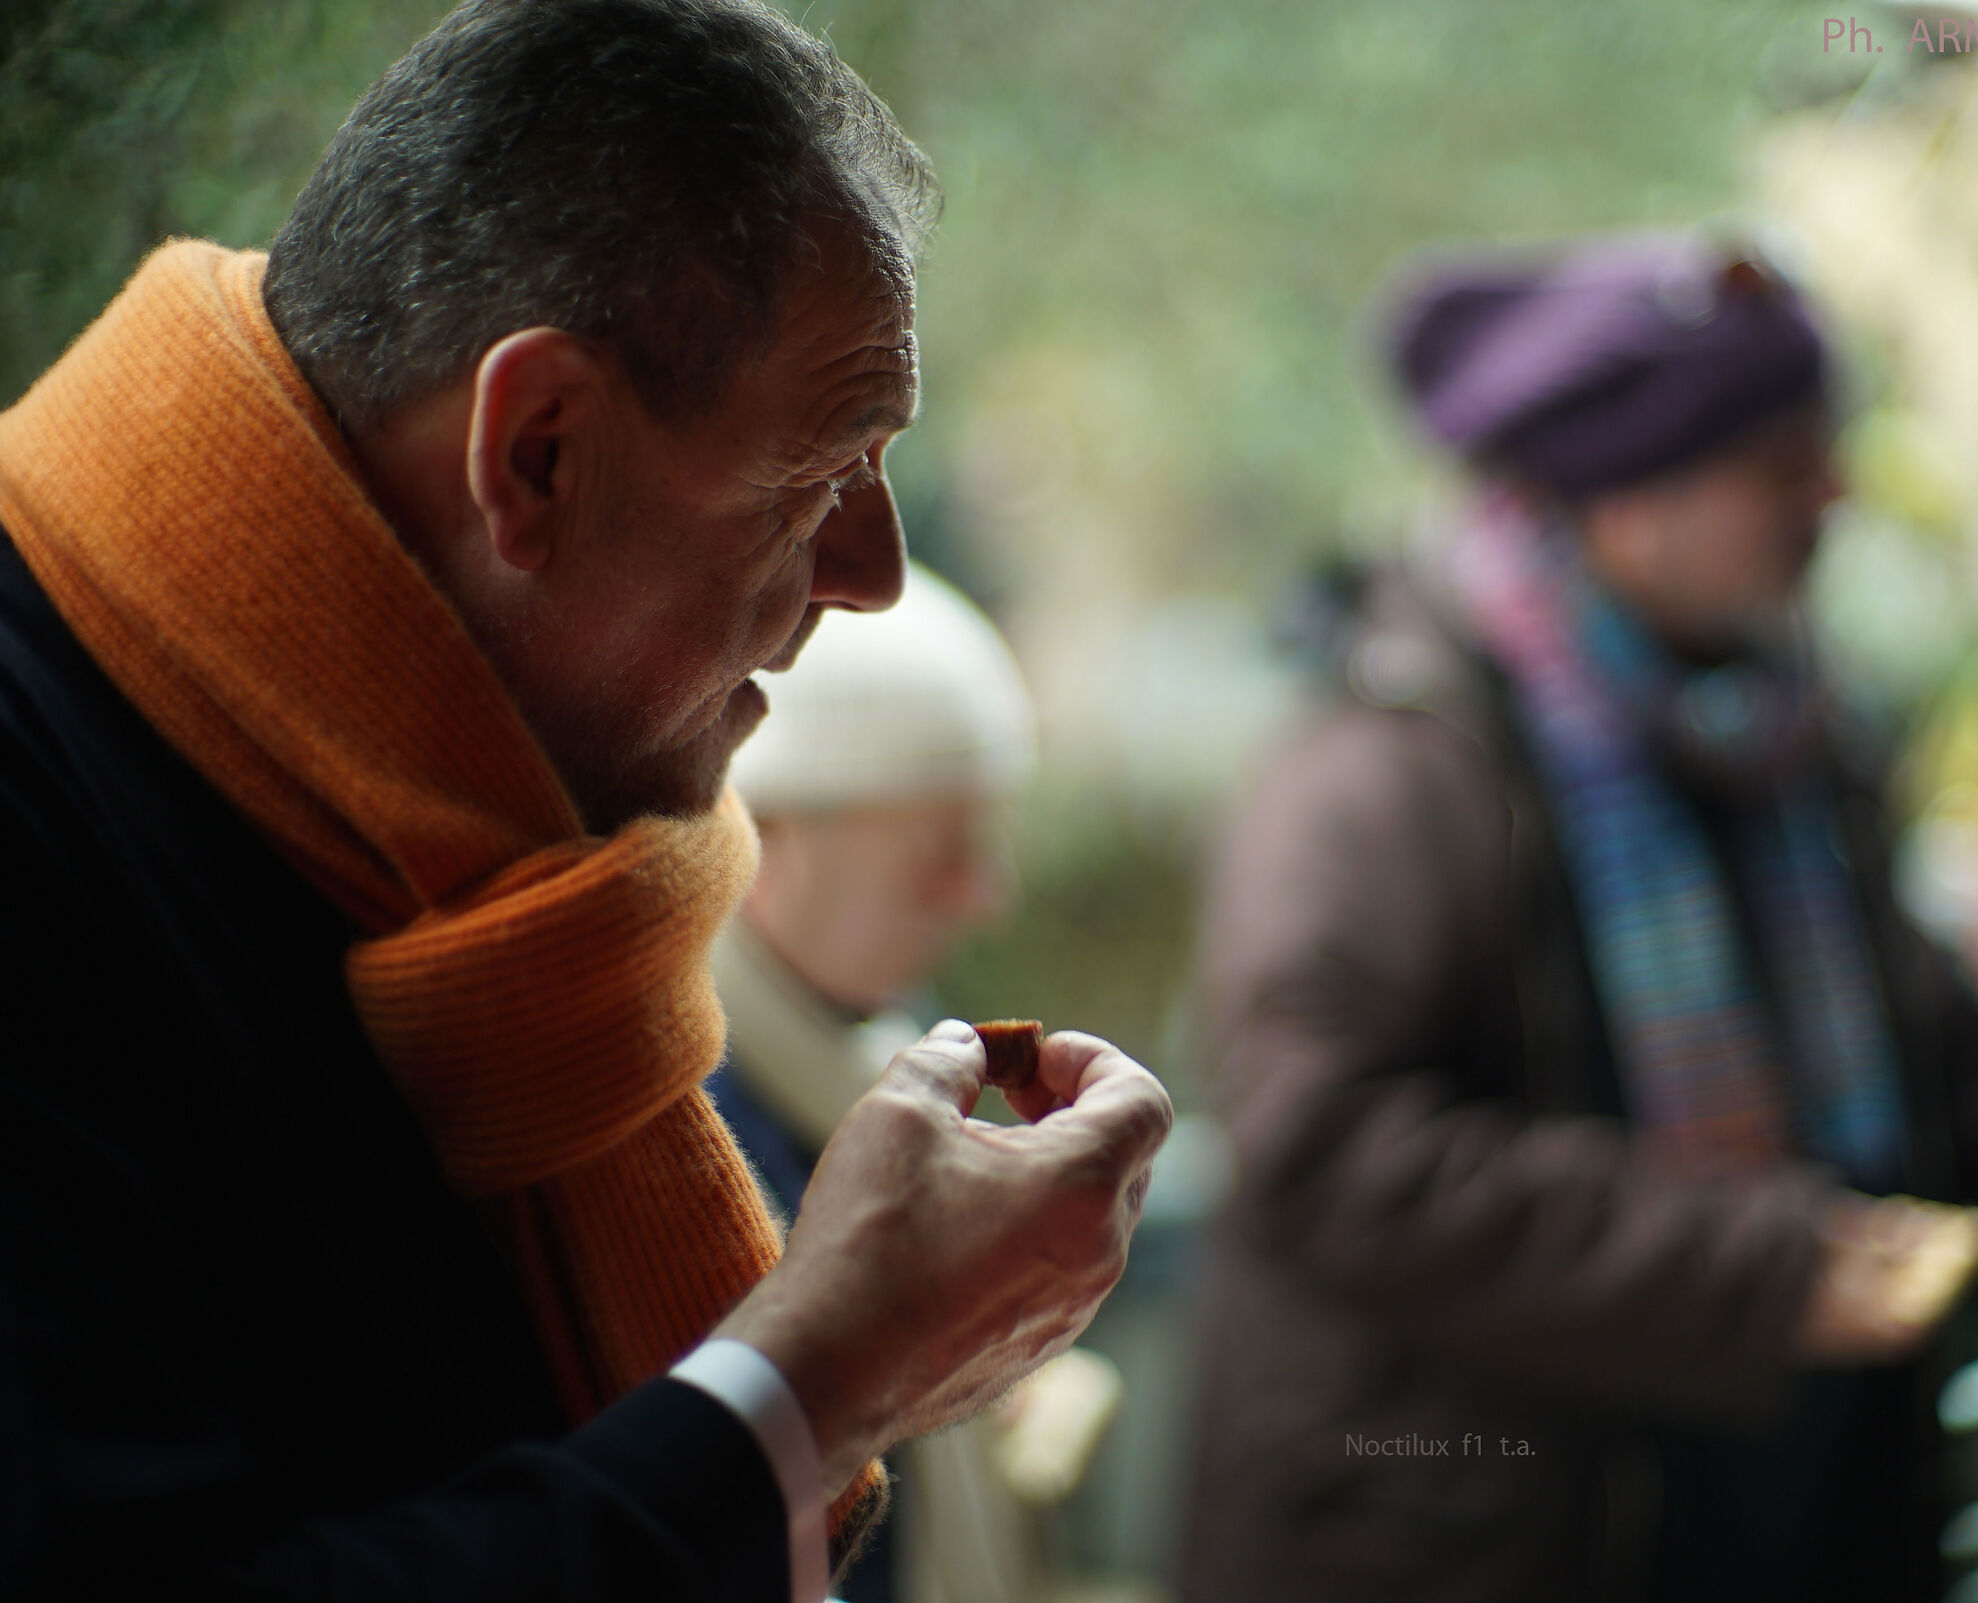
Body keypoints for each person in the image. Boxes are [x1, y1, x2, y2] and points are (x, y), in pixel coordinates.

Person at [0, 3, 1170, 1599]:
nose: (879, 571)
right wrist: (824, 1377)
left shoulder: (478, 862)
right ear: (538, 450)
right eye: (824, 475)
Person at [1178, 233, 1978, 1603]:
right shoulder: (1389, 769)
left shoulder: (1794, 744)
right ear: (1627, 495)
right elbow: (1320, 1147)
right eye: (1778, 463)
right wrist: (1760, 1263)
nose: (1832, 492)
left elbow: (1975, 1123)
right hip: (1486, 1536)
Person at [709, 562, 1115, 1603]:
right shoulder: (692, 1123)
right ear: (765, 834)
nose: (987, 893)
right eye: (941, 852)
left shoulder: (861, 1054)